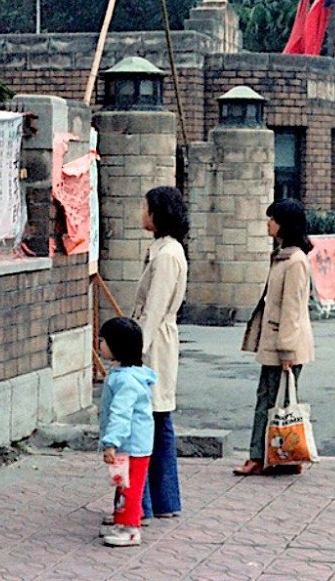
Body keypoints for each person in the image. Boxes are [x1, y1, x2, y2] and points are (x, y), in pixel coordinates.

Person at [234, 199, 315, 477]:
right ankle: (280, 457)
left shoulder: (294, 262)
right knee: (274, 400)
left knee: (273, 400)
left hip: (284, 344)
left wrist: (286, 352)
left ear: (285, 224)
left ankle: (259, 456)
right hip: (277, 341)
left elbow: (292, 309)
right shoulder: (284, 256)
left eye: (273, 219)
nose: (268, 224)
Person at [132, 186, 188, 520]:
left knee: (150, 420)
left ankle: (149, 501)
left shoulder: (167, 255)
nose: (142, 213)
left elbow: (153, 310)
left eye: (146, 207)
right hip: (157, 339)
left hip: (154, 343)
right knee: (156, 419)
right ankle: (161, 500)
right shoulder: (164, 250)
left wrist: (136, 351)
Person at [97, 318, 157, 548]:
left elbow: (121, 414)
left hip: (131, 444)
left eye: (104, 341)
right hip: (130, 443)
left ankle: (131, 527)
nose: (100, 344)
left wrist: (110, 442)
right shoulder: (129, 374)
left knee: (130, 488)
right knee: (123, 483)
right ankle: (122, 520)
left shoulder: (126, 381)